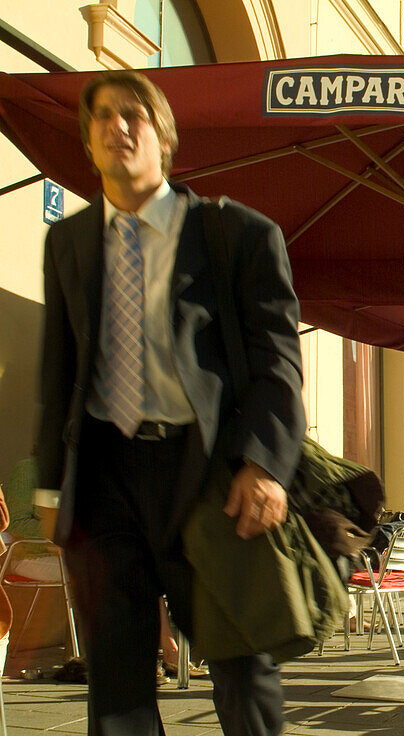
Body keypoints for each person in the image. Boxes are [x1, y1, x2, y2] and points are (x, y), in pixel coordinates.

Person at [37, 70, 305, 735]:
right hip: (105, 478)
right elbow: (57, 369)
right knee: (116, 680)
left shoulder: (236, 235)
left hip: (208, 474)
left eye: (135, 115)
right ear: (88, 139)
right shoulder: (68, 243)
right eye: (101, 115)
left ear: (164, 137)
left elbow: (279, 362)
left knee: (241, 667)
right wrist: (50, 490)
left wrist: (266, 462)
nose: (117, 125)